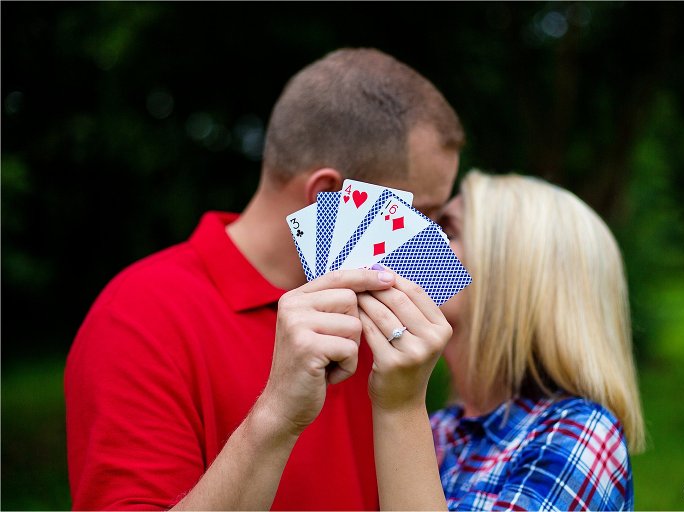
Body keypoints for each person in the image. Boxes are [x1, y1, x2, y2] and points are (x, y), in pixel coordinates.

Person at [64, 47, 464, 510]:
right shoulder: (138, 317)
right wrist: (276, 414)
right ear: (329, 197)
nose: (431, 245)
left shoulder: (377, 315)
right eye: (420, 215)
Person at [359, 170, 645, 510]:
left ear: (511, 276)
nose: (413, 236)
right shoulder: (440, 428)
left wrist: (400, 407)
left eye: (448, 229)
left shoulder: (582, 435)